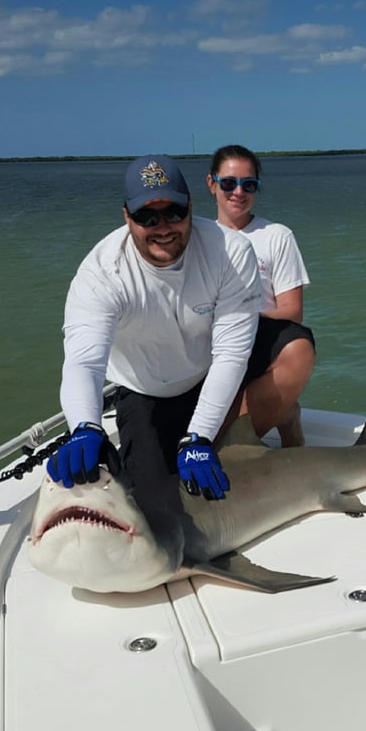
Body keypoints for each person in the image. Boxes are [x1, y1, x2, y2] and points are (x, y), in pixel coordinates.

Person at [47, 155, 265, 540]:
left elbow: (232, 354)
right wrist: (85, 426)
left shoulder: (230, 252)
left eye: (174, 212)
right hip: (145, 390)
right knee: (152, 511)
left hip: (209, 376)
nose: (162, 227)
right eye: (147, 217)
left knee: (296, 345)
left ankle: (258, 441)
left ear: (191, 207)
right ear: (126, 216)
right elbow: (84, 363)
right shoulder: (102, 273)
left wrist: (198, 436)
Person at [207, 144, 315, 447]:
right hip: (209, 344)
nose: (238, 192)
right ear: (212, 184)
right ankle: (284, 412)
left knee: (299, 348)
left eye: (248, 184)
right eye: (228, 183)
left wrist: (242, 317)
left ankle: (277, 415)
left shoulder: (277, 235)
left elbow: (292, 312)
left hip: (261, 340)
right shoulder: (198, 239)